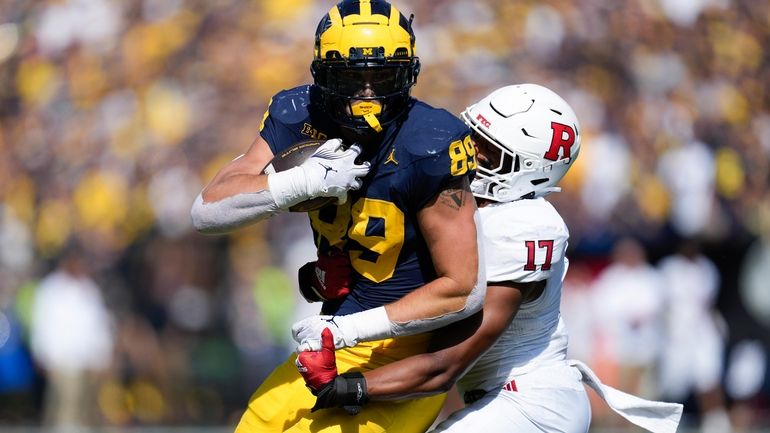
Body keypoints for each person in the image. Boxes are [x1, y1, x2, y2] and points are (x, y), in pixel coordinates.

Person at [296, 84, 684, 433]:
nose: (470, 154)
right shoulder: (457, 212)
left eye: (489, 151)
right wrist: (322, 278)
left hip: (533, 405)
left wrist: (347, 386)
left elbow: (443, 365)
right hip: (499, 400)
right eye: (471, 138)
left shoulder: (526, 225)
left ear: (531, 173)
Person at [190, 1, 485, 431]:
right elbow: (207, 209)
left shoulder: (431, 143)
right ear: (324, 76)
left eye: (381, 77)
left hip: (403, 348)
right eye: (351, 77)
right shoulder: (299, 114)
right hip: (335, 329)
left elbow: (462, 289)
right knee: (255, 424)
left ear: (406, 75)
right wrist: (302, 182)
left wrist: (346, 332)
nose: (367, 93)